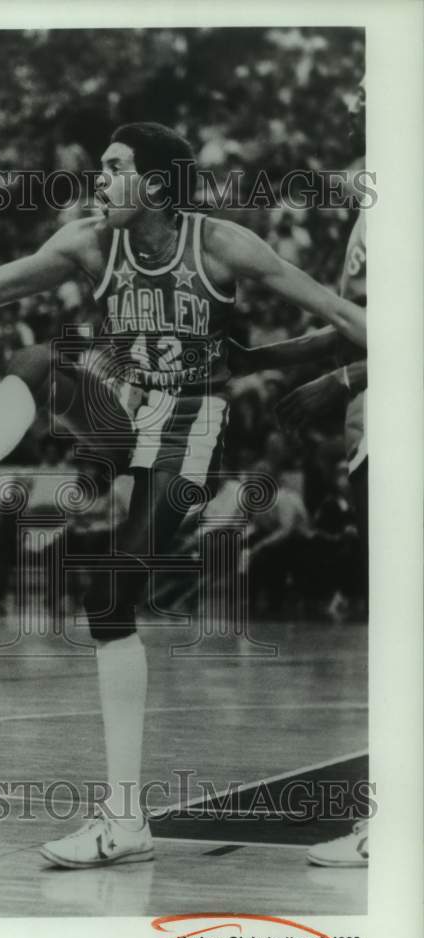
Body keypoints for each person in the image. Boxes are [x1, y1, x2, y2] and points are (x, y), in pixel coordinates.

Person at [0, 121, 366, 868]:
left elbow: (341, 313)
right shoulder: (90, 243)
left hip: (191, 424)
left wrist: (369, 359)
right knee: (34, 358)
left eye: (113, 168)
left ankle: (125, 821)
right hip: (122, 411)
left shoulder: (217, 243)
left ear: (155, 185)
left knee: (110, 596)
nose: (95, 181)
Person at [229, 78, 369, 866]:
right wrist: (262, 359)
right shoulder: (367, 208)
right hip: (369, 430)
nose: (351, 107)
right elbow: (352, 331)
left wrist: (345, 383)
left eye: (365, 94)